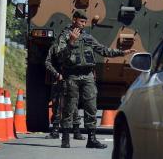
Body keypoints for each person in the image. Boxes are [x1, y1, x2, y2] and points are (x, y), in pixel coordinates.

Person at [56, 10, 135, 149]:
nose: (83, 25)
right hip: (71, 75)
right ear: (74, 20)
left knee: (91, 107)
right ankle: (66, 139)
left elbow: (103, 50)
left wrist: (122, 52)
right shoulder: (64, 36)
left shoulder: (87, 37)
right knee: (69, 107)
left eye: (85, 22)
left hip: (87, 76)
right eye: (81, 22)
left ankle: (91, 139)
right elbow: (60, 56)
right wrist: (71, 42)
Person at [44, 42, 85, 140]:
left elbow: (83, 62)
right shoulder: (55, 46)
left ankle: (76, 131)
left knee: (73, 105)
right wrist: (57, 74)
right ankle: (55, 131)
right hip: (59, 78)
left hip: (72, 79)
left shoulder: (78, 46)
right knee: (56, 105)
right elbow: (47, 62)